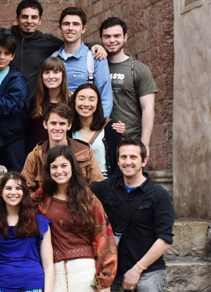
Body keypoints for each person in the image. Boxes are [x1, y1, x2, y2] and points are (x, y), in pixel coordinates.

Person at [90, 138, 174, 292]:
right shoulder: (107, 188)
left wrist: (137, 269)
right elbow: (78, 194)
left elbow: (164, 239)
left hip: (147, 269)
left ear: (144, 161)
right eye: (123, 157)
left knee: (147, 291)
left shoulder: (158, 195)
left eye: (133, 157)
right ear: (118, 161)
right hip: (112, 268)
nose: (128, 162)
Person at [33, 146, 116, 292]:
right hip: (54, 272)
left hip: (85, 270)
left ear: (72, 167)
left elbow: (105, 236)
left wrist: (105, 279)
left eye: (64, 165)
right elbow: (20, 209)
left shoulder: (88, 199)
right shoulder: (43, 197)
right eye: (54, 167)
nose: (59, 171)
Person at [0, 0, 105, 103]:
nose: (29, 21)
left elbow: (71, 43)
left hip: (32, 108)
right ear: (17, 19)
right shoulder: (4, 36)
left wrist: (94, 45)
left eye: (34, 17)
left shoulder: (48, 42)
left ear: (40, 21)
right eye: (25, 17)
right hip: (5, 104)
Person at [0, 173, 54, 292]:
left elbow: (48, 264)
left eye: (18, 188)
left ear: (24, 193)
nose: (13, 192)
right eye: (8, 188)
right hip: (2, 288)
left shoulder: (39, 222)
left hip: (33, 288)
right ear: (1, 192)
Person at [99, 17, 158, 151]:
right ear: (101, 38)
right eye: (107, 36)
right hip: (100, 140)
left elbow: (148, 109)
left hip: (130, 141)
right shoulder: (95, 67)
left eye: (117, 36)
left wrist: (145, 144)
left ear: (125, 37)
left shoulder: (139, 70)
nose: (112, 40)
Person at [22, 103, 103, 191]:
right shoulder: (35, 156)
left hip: (79, 202)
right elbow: (25, 190)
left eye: (62, 124)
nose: (57, 128)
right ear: (45, 124)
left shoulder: (85, 151)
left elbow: (98, 185)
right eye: (53, 123)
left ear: (69, 125)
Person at [53, 7, 114, 118]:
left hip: (85, 125)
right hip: (59, 125)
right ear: (59, 28)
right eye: (66, 24)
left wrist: (98, 127)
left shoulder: (96, 57)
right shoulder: (52, 58)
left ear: (84, 29)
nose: (70, 28)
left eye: (76, 24)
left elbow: (105, 97)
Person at [0, 32, 28, 172]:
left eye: (6, 53)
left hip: (11, 137)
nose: (2, 57)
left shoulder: (16, 79)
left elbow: (14, 105)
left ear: (12, 56)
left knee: (15, 173)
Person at [70, 83, 124, 178]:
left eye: (91, 99)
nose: (86, 104)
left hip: (105, 185)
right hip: (76, 186)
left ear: (97, 103)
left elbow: (118, 164)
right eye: (81, 98)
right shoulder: (67, 130)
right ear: (74, 101)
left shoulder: (111, 127)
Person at [27, 57, 71, 151]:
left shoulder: (71, 100)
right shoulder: (35, 100)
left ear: (63, 75)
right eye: (47, 72)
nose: (51, 76)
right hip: (38, 154)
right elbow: (30, 131)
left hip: (64, 155)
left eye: (56, 72)